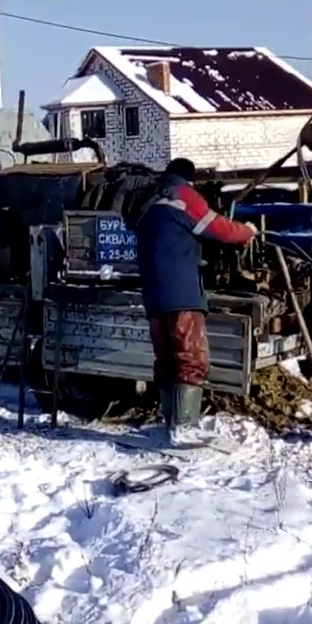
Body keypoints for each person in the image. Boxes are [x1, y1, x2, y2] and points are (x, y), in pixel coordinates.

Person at [128, 158, 259, 443]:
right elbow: (218, 229)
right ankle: (184, 427)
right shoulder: (183, 195)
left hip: (153, 294)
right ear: (189, 178)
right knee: (191, 359)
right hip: (181, 293)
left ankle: (169, 424)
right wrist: (248, 231)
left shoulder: (149, 200)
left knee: (165, 360)